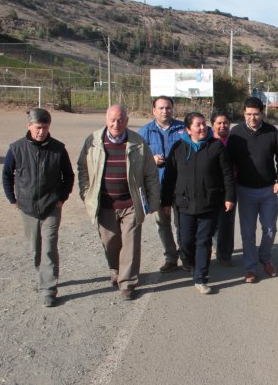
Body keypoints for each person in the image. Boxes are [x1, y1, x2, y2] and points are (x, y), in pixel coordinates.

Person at [77, 105, 160, 301]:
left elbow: (150, 174)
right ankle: (115, 269)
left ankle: (128, 283)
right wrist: (86, 193)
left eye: (121, 120)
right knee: (110, 242)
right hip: (104, 203)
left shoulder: (138, 142)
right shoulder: (93, 141)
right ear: (106, 119)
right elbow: (82, 169)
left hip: (130, 203)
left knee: (130, 245)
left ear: (127, 121)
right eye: (113, 120)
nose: (116, 124)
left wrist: (153, 201)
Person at [2, 108, 74, 307]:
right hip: (27, 208)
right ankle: (41, 276)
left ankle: (49, 289)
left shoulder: (58, 149)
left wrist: (62, 198)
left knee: (49, 246)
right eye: (38, 128)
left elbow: (68, 176)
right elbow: (7, 174)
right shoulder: (16, 149)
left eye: (45, 127)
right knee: (35, 247)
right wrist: (13, 199)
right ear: (29, 126)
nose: (41, 131)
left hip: (52, 206)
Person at [161, 112, 236, 294]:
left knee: (204, 241)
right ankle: (194, 264)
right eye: (198, 125)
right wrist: (165, 201)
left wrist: (229, 197)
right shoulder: (178, 148)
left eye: (203, 124)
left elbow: (227, 174)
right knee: (186, 241)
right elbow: (170, 177)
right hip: (185, 204)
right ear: (188, 129)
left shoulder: (216, 146)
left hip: (209, 203)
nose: (203, 128)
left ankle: (201, 278)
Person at [227, 97, 278, 283]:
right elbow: (227, 163)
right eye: (249, 114)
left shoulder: (272, 132)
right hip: (244, 191)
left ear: (262, 113)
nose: (252, 117)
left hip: (269, 190)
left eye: (256, 114)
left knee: (270, 229)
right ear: (244, 113)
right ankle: (251, 268)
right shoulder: (236, 133)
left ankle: (265, 257)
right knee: (247, 232)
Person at [138, 95, 187, 273]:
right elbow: (136, 158)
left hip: (181, 186)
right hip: (157, 187)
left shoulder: (183, 129)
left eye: (168, 108)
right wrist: (150, 159)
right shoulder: (145, 132)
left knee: (182, 223)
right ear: (153, 111)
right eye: (161, 108)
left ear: (173, 110)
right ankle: (170, 258)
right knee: (163, 224)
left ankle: (186, 257)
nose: (165, 111)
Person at [211, 110, 237, 266]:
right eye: (219, 123)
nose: (222, 126)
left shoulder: (235, 141)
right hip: (212, 187)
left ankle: (225, 254)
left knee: (227, 221)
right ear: (212, 125)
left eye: (225, 123)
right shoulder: (207, 141)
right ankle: (211, 247)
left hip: (231, 185)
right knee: (211, 221)